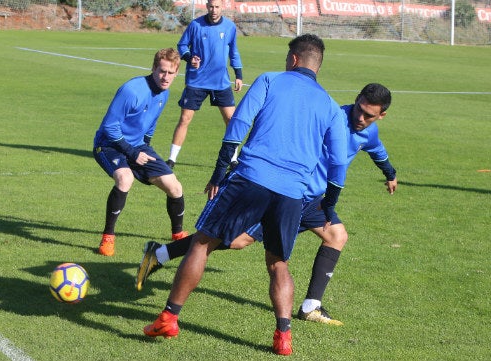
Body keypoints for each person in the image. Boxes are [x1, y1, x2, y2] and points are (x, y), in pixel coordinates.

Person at [142, 34, 348, 357]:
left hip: (251, 178)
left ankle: (169, 317)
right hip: (293, 194)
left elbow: (237, 125)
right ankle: (283, 336)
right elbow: (338, 166)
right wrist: (329, 205)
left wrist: (219, 173)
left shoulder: (269, 80)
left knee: (202, 242)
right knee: (278, 263)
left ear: (293, 59)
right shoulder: (331, 107)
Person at [136, 83, 397, 327]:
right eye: (359, 110)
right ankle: (159, 254)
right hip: (289, 195)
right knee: (236, 240)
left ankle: (310, 306)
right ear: (356, 100)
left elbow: (378, 151)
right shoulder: (333, 119)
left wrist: (390, 173)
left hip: (314, 201)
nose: (361, 118)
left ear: (381, 116)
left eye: (369, 116)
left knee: (337, 236)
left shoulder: (368, 132)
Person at [93, 48, 188, 257]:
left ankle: (178, 234)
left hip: (137, 146)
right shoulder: (132, 90)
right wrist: (132, 153)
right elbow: (110, 127)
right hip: (108, 144)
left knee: (174, 187)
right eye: (162, 71)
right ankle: (108, 237)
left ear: (177, 73)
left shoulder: (165, 92)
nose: (166, 77)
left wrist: (144, 147)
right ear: (153, 68)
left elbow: (150, 124)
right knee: (125, 179)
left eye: (171, 73)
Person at [167, 0, 243, 168]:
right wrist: (189, 58)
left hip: (220, 82)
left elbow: (234, 52)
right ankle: (171, 159)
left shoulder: (230, 27)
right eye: (211, 6)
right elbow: (182, 45)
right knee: (185, 119)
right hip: (197, 80)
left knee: (231, 120)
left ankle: (233, 159)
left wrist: (238, 74)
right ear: (206, 6)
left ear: (222, 7)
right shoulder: (196, 25)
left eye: (217, 7)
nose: (213, 10)